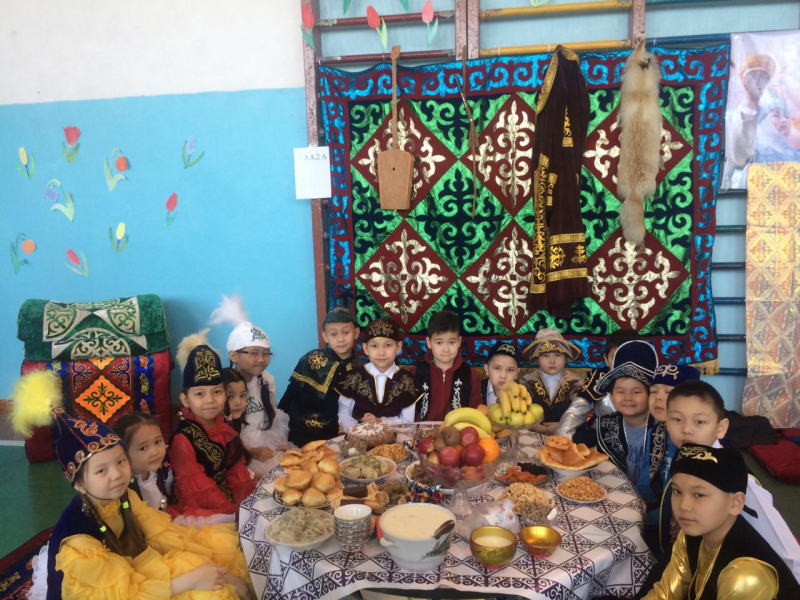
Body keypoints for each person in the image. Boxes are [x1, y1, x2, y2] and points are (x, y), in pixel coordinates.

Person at [10, 370, 253, 600]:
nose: (117, 475)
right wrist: (189, 580)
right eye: (101, 470)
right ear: (79, 485)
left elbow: (162, 535)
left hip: (134, 565)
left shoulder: (124, 495)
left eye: (120, 462)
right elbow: (122, 595)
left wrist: (216, 570)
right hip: (113, 588)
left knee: (211, 561)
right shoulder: (79, 544)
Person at [661, 380, 800, 582]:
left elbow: (783, 545)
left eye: (699, 422)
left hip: (733, 572)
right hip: (691, 554)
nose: (686, 429)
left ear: (721, 428)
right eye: (677, 419)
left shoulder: (738, 480)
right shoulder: (682, 460)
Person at [642, 444, 800, 599]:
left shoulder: (745, 576)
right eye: (677, 491)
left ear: (735, 503)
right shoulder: (692, 534)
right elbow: (664, 594)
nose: (683, 505)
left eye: (699, 494)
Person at [169, 331, 257, 520]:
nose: (210, 400)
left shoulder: (222, 426)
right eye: (199, 394)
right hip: (202, 510)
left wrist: (246, 502)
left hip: (227, 499)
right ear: (185, 399)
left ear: (224, 394)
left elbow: (235, 470)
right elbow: (198, 489)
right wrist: (232, 513)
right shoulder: (183, 439)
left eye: (216, 392)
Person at [210, 295, 291, 473]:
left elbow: (273, 415)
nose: (261, 359)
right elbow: (222, 428)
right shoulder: (222, 386)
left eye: (266, 353)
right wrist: (251, 451)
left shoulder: (267, 380)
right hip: (239, 452)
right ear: (233, 355)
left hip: (267, 446)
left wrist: (282, 441)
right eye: (253, 353)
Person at [595, 340, 665, 525]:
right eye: (620, 391)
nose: (627, 398)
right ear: (611, 397)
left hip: (659, 513)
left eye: (636, 391)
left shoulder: (665, 428)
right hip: (617, 506)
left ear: (650, 394)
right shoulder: (606, 425)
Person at [278, 306, 362, 446]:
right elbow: (290, 394)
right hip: (300, 431)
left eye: (346, 332)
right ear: (325, 337)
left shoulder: (361, 367)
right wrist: (279, 429)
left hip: (335, 434)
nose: (340, 339)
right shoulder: (312, 359)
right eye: (333, 334)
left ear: (356, 333)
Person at [725, 54, 800, 188]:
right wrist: (752, 101)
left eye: (786, 115)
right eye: (776, 115)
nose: (783, 120)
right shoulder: (756, 152)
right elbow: (739, 158)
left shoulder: (795, 155)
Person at [337, 318, 422, 432]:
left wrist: (380, 421)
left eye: (388, 345)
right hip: (358, 439)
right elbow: (344, 413)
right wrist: (357, 430)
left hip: (396, 440)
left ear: (398, 347)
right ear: (365, 348)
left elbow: (407, 422)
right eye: (374, 346)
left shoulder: (407, 380)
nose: (381, 352)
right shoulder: (353, 377)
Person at [556, 328, 641, 442]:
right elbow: (577, 409)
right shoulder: (599, 377)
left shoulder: (649, 380)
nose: (622, 363)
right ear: (606, 359)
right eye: (615, 357)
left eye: (628, 357)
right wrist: (564, 438)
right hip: (601, 434)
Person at [414, 310, 482, 421]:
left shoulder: (470, 374)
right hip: (422, 430)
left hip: (458, 429)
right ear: (429, 342)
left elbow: (475, 409)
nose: (446, 349)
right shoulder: (416, 373)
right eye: (439, 342)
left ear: (459, 341)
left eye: (451, 342)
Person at [519, 328, 583, 435]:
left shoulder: (576, 382)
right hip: (533, 434)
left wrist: (561, 425)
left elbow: (581, 411)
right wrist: (533, 426)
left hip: (566, 433)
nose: (552, 361)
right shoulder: (527, 381)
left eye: (558, 355)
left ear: (565, 358)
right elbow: (520, 409)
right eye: (545, 355)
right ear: (537, 359)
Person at [113, 411, 174, 512]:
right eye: (143, 448)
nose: (155, 452)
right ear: (123, 453)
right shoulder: (123, 487)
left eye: (157, 442)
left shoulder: (161, 470)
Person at [482, 341, 521, 407]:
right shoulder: (477, 389)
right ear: (487, 369)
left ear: (517, 373)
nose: (503, 376)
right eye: (497, 368)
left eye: (510, 370)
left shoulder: (523, 394)